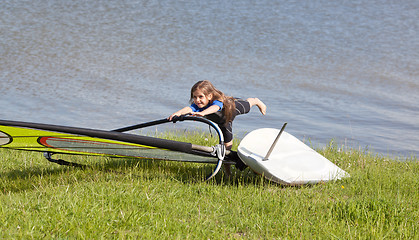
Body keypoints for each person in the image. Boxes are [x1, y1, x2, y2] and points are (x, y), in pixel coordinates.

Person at [169, 80, 267, 174]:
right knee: (226, 150)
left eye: (200, 97)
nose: (197, 100)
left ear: (209, 96)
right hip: (223, 124)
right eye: (195, 97)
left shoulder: (217, 101)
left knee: (247, 105)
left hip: (232, 108)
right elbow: (188, 108)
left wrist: (203, 113)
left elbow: (215, 108)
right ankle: (228, 173)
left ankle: (256, 101)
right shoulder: (197, 105)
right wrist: (176, 114)